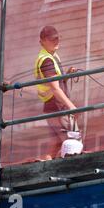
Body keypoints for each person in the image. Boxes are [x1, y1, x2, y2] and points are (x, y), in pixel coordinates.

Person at [34, 25, 79, 160]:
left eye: (57, 39)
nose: (56, 42)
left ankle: (45, 165)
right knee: (72, 140)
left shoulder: (52, 56)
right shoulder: (46, 60)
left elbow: (55, 82)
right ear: (42, 41)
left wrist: (66, 75)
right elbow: (55, 88)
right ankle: (70, 167)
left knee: (57, 141)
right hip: (57, 107)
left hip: (52, 107)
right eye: (52, 39)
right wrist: (71, 107)